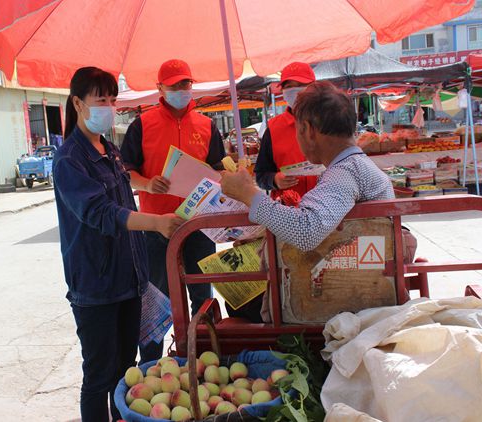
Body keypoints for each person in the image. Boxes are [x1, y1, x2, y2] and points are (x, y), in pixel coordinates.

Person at [52, 67, 183, 422]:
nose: (109, 107)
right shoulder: (68, 160)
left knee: (127, 370)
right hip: (95, 285)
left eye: (112, 99)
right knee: (99, 374)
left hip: (128, 280)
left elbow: (124, 197)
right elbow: (103, 212)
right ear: (78, 104)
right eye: (101, 100)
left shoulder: (109, 150)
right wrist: (156, 223)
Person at [121, 59, 226, 364]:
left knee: (202, 295)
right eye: (175, 85)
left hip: (200, 225)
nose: (182, 90)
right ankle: (152, 364)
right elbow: (125, 171)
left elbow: (220, 170)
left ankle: (205, 357)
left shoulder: (207, 126)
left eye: (186, 84)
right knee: (156, 299)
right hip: (156, 227)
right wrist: (146, 183)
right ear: (160, 88)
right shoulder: (141, 125)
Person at [222, 80, 395, 257]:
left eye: (297, 129)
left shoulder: (346, 171)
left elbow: (306, 232)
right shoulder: (355, 165)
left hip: (361, 278)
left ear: (308, 130)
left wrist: (247, 193)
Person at [254, 62, 318, 199]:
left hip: (327, 205)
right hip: (286, 210)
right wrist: (274, 180)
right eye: (289, 87)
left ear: (314, 88)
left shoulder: (329, 121)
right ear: (282, 91)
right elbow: (260, 175)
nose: (296, 91)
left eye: (301, 85)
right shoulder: (273, 128)